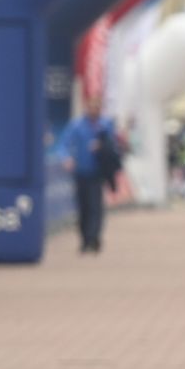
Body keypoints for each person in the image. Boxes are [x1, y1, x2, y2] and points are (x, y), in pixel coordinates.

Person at [60, 98, 121, 254]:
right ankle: (85, 238)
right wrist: (67, 158)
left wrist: (103, 147)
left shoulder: (106, 125)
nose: (94, 110)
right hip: (81, 172)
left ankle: (94, 237)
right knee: (83, 207)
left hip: (97, 172)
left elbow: (114, 145)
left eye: (97, 107)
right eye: (91, 107)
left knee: (95, 207)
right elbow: (64, 144)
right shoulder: (77, 125)